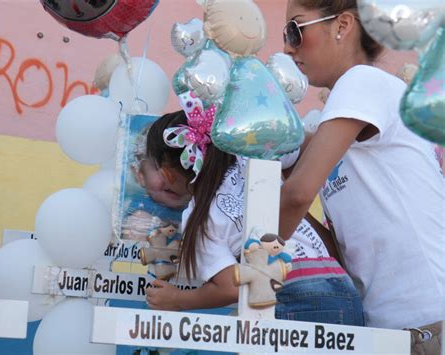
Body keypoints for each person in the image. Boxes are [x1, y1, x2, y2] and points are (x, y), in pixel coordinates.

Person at [279, 0, 444, 339]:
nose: (286, 46)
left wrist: (240, 260)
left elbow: (297, 196)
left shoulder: (362, 81)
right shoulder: (341, 128)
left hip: (428, 320)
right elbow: (338, 251)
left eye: (295, 30)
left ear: (342, 25)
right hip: (390, 328)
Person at [144, 95, 364, 326]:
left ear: (167, 174)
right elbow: (304, 148)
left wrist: (178, 299)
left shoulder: (199, 217)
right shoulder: (250, 160)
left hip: (292, 295)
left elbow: (230, 288)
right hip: (341, 285)